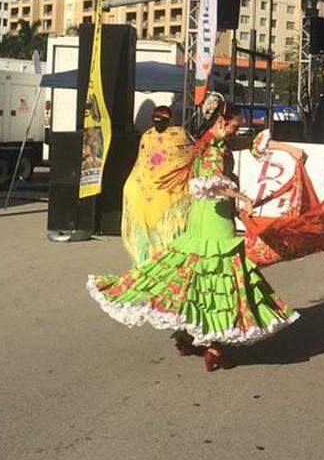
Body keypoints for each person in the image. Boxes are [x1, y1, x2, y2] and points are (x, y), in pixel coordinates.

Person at [87, 98, 302, 372]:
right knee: (221, 278)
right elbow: (213, 183)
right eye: (236, 126)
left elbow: (247, 145)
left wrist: (286, 148)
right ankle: (214, 347)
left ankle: (189, 336)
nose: (239, 131)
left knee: (194, 275)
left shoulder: (203, 142)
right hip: (214, 219)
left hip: (201, 218)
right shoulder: (210, 150)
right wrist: (242, 197)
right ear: (222, 123)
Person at [120, 105, 191, 265]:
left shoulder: (147, 135)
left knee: (146, 231)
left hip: (143, 191)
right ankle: (164, 266)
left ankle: (144, 266)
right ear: (171, 119)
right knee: (167, 231)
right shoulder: (178, 135)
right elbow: (188, 159)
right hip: (167, 193)